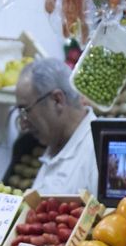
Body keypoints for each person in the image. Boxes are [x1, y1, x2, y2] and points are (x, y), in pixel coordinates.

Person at [15, 57, 99, 195]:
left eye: (26, 110)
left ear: (57, 100)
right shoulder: (55, 145)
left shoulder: (97, 155)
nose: (23, 124)